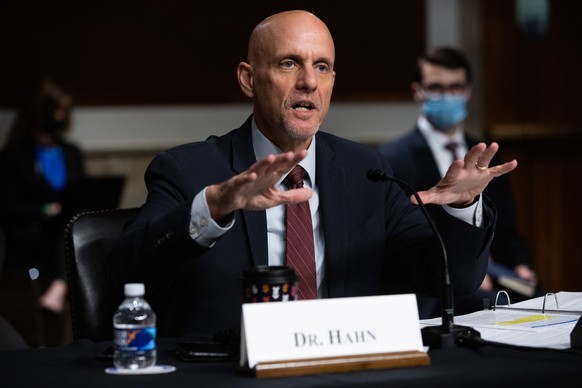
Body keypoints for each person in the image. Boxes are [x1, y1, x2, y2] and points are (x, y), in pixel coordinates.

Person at [107, 10, 517, 338]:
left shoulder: (366, 172)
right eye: (290, 64)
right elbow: (125, 273)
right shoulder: (189, 170)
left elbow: (453, 279)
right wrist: (214, 208)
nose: (308, 82)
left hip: (348, 369)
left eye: (322, 67)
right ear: (248, 79)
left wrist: (463, 209)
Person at [377, 47, 538, 318]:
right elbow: (400, 242)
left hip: (498, 277)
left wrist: (521, 265)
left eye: (455, 87)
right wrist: (470, 267)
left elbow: (506, 228)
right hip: (433, 285)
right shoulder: (391, 159)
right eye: (436, 87)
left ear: (468, 91)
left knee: (540, 299)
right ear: (418, 91)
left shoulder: (488, 154)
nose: (447, 96)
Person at [0, 79, 85, 316]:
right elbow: (7, 206)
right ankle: (60, 286)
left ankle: (60, 286)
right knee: (70, 226)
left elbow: (80, 190)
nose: (59, 118)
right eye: (54, 111)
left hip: (67, 221)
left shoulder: (70, 152)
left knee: (80, 220)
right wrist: (46, 210)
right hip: (32, 229)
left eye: (63, 113)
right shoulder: (15, 155)